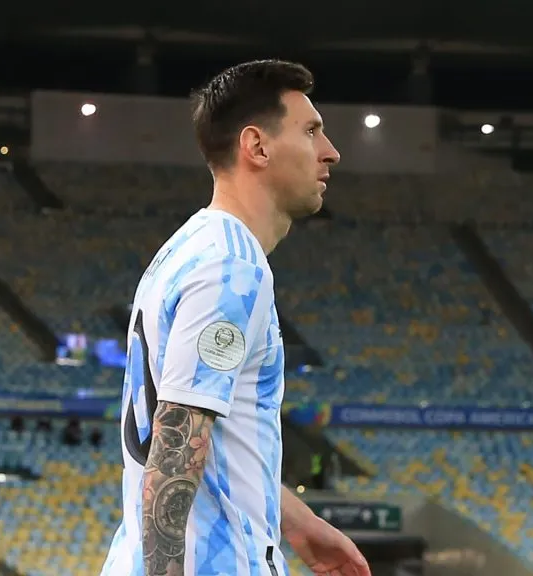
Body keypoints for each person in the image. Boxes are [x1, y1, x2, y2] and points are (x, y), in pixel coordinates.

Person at [100, 60, 369, 576]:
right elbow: (177, 443)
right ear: (257, 147)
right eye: (311, 131)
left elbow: (202, 442)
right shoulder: (231, 267)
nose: (330, 151)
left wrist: (296, 520)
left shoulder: (186, 250)